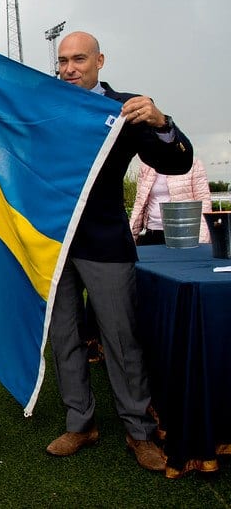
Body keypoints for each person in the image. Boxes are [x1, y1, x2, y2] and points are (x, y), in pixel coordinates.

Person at [47, 31, 193, 471]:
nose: (69, 68)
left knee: (121, 339)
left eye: (78, 59)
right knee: (64, 338)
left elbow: (176, 163)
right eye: (62, 61)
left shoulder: (127, 109)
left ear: (100, 61)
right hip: (52, 244)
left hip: (106, 243)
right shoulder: (46, 104)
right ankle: (81, 422)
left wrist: (162, 122)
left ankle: (139, 431)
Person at [129, 158, 212, 245]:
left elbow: (204, 203)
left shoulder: (194, 164)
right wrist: (130, 236)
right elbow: (140, 202)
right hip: (153, 233)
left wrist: (202, 240)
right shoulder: (146, 165)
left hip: (184, 234)